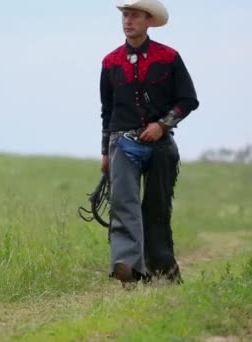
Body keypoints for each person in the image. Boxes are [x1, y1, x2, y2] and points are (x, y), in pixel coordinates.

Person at [99, 0, 199, 286]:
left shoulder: (169, 57)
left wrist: (162, 125)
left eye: (134, 16)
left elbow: (188, 100)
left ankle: (161, 272)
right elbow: (107, 110)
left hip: (160, 145)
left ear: (148, 20)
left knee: (156, 208)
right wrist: (105, 151)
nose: (128, 21)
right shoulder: (110, 62)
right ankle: (128, 267)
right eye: (125, 16)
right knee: (123, 205)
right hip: (121, 143)